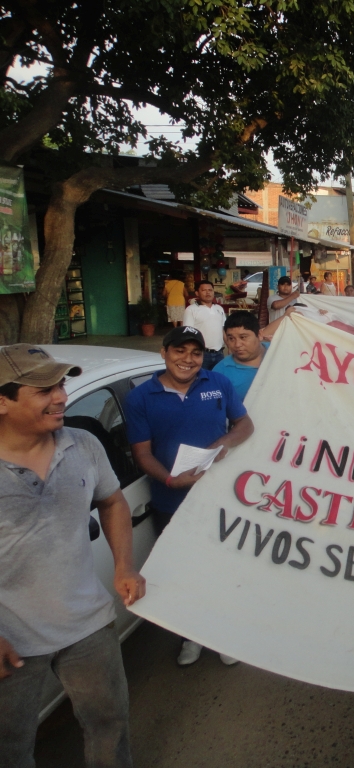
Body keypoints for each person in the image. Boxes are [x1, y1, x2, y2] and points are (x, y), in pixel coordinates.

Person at [0, 345, 146, 768]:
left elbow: (114, 502)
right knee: (10, 747)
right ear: (3, 400)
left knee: (109, 725)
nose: (61, 396)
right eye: (44, 388)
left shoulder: (82, 443)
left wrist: (123, 565)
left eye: (61, 384)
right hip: (12, 641)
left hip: (88, 626)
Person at [125, 326, 254, 667]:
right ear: (164, 353)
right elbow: (142, 454)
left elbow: (244, 425)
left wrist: (222, 443)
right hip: (171, 500)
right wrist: (169, 480)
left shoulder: (218, 384)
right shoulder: (140, 398)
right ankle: (191, 637)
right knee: (181, 572)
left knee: (220, 568)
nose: (188, 359)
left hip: (218, 496)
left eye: (195, 353)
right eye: (179, 351)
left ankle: (223, 636)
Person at [213, 312, 268, 401]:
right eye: (231, 339)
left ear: (259, 335)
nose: (237, 344)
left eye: (243, 337)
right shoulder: (220, 373)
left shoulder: (279, 351)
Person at [182, 279, 226, 370]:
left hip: (219, 354)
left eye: (210, 290)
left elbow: (223, 329)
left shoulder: (219, 308)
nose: (208, 293)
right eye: (204, 290)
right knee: (200, 380)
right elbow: (188, 333)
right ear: (197, 293)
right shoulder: (191, 310)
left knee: (218, 380)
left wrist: (230, 347)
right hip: (202, 354)